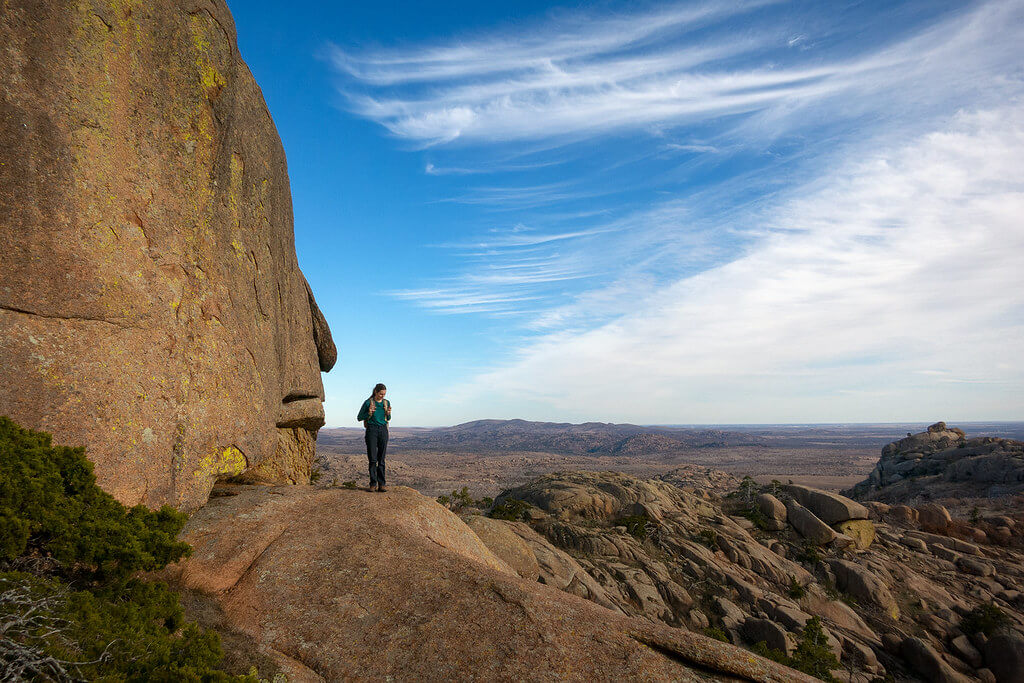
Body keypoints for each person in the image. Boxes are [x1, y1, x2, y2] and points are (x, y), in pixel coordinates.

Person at [356, 383, 391, 492]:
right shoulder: (368, 403)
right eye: (381, 394)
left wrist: (388, 413)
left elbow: (388, 418)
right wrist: (368, 413)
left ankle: (382, 484)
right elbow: (359, 417)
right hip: (372, 430)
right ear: (375, 392)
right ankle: (373, 483)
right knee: (372, 459)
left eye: (384, 394)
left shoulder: (386, 403)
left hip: (383, 430)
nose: (382, 396)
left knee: (381, 459)